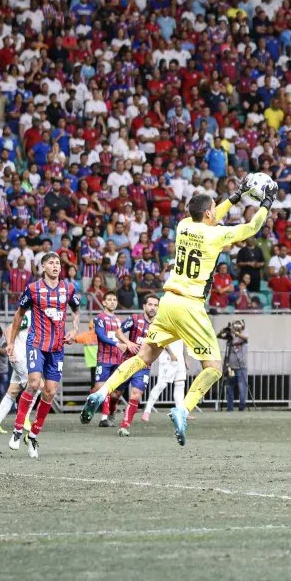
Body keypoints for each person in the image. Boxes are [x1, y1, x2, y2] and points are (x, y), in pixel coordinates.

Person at [81, 176, 275, 446]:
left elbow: (210, 214)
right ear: (208, 213)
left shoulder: (184, 226)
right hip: (191, 305)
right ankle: (183, 408)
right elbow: (252, 227)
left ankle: (102, 394)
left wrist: (236, 195)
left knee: (144, 356)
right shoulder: (216, 234)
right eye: (213, 210)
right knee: (214, 367)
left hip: (167, 301)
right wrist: (266, 202)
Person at [4, 252, 81, 458]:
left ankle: (34, 434)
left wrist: (74, 330)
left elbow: (76, 311)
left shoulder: (69, 288)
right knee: (34, 383)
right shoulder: (33, 289)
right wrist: (11, 341)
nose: (56, 266)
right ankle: (18, 429)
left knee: (50, 392)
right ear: (43, 267)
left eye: (57, 263)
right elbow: (19, 314)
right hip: (36, 343)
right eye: (51, 263)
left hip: (57, 347)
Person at [115, 294, 158, 435]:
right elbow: (118, 332)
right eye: (150, 304)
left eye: (155, 305)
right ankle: (110, 412)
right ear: (144, 306)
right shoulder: (134, 319)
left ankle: (124, 426)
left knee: (136, 394)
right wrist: (128, 343)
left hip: (144, 366)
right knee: (115, 394)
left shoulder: (159, 325)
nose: (153, 308)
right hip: (128, 361)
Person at [0, 312, 32, 434]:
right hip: (19, 358)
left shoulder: (41, 316)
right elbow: (9, 329)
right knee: (37, 385)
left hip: (25, 359)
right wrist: (10, 346)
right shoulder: (29, 315)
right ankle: (25, 418)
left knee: (12, 392)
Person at [90, 291, 126, 427]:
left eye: (114, 300)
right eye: (109, 300)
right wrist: (117, 344)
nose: (112, 302)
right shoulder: (99, 318)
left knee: (116, 393)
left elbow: (122, 338)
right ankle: (104, 418)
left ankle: (111, 412)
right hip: (104, 359)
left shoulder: (118, 320)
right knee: (102, 388)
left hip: (117, 359)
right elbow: (101, 335)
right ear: (104, 302)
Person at [142, 339, 187, 422]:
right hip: (167, 358)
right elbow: (163, 340)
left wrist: (185, 359)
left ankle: (180, 413)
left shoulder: (183, 326)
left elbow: (183, 343)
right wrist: (171, 353)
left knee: (180, 384)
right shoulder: (168, 326)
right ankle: (147, 411)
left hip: (180, 358)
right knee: (161, 384)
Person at [224, 321, 249, 412]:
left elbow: (245, 338)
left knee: (242, 389)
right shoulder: (231, 337)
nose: (237, 326)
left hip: (241, 367)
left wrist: (235, 333)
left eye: (238, 324)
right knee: (229, 388)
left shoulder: (244, 334)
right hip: (231, 367)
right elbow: (219, 336)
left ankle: (241, 408)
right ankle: (230, 408)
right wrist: (225, 330)